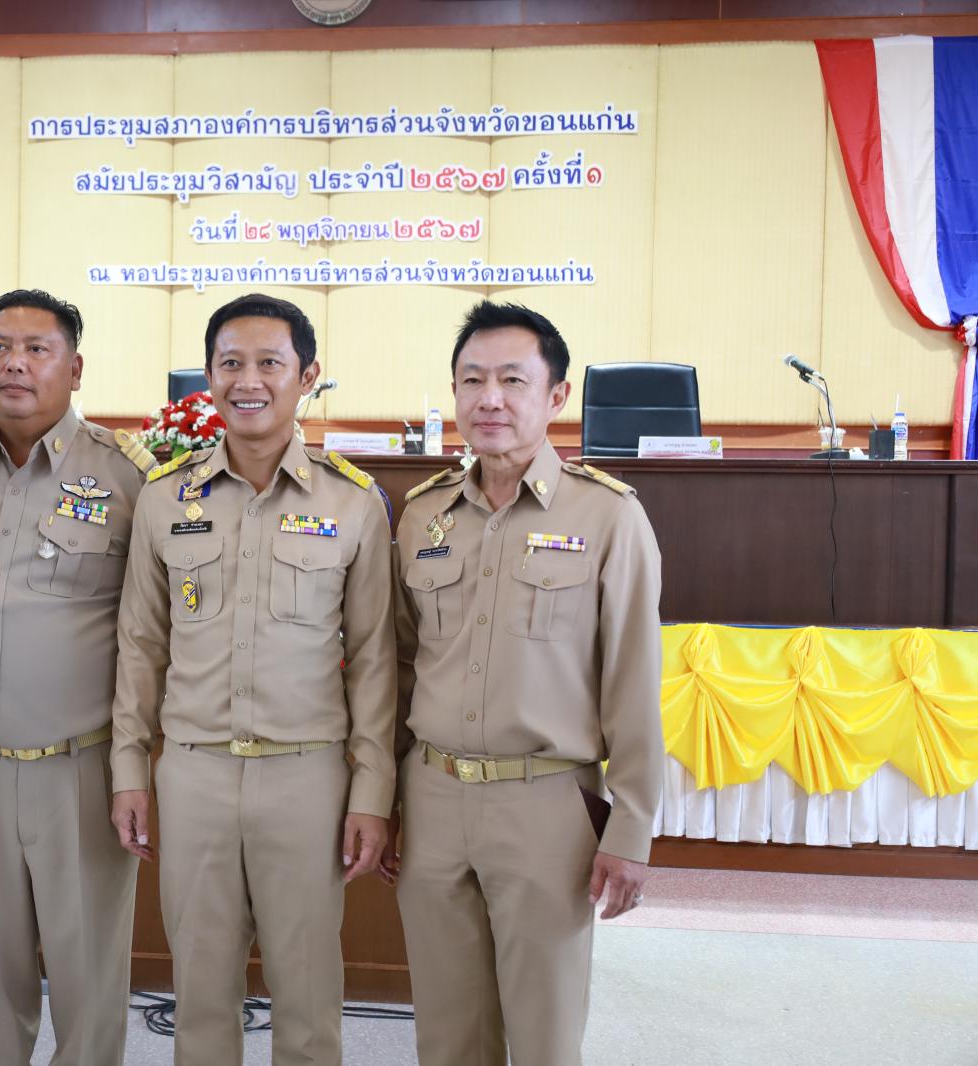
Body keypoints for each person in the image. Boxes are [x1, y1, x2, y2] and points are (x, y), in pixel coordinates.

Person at [110, 293, 396, 1065]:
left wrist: (371, 791)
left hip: (307, 778)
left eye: (270, 362)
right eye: (230, 362)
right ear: (208, 375)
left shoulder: (352, 501)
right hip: (194, 774)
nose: (248, 380)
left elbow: (375, 659)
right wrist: (129, 770)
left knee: (307, 997)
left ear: (307, 375)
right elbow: (140, 645)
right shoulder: (165, 498)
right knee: (200, 994)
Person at [383, 301, 664, 1066]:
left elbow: (633, 682)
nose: (489, 399)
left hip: (545, 807)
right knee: (446, 1035)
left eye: (512, 380)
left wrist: (630, 830)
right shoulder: (422, 515)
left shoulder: (607, 517)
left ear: (555, 395)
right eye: (471, 380)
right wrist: (384, 798)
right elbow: (398, 669)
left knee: (544, 1036)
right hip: (432, 800)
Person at [0, 289, 155, 1064]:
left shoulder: (127, 477)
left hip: (79, 769)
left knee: (88, 978)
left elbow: (149, 635)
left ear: (74, 369)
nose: (14, 363)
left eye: (36, 349)